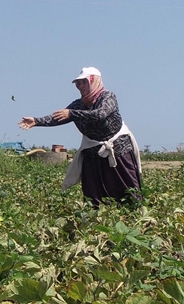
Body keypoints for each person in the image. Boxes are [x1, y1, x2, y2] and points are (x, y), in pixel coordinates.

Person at [19, 67, 142, 207]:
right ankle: (96, 219)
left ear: (94, 82)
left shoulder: (108, 97)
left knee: (126, 189)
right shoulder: (78, 104)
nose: (80, 86)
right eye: (78, 83)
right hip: (92, 151)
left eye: (84, 82)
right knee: (93, 192)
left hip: (118, 149)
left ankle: (133, 215)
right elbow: (59, 118)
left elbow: (100, 114)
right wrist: (36, 121)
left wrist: (72, 114)